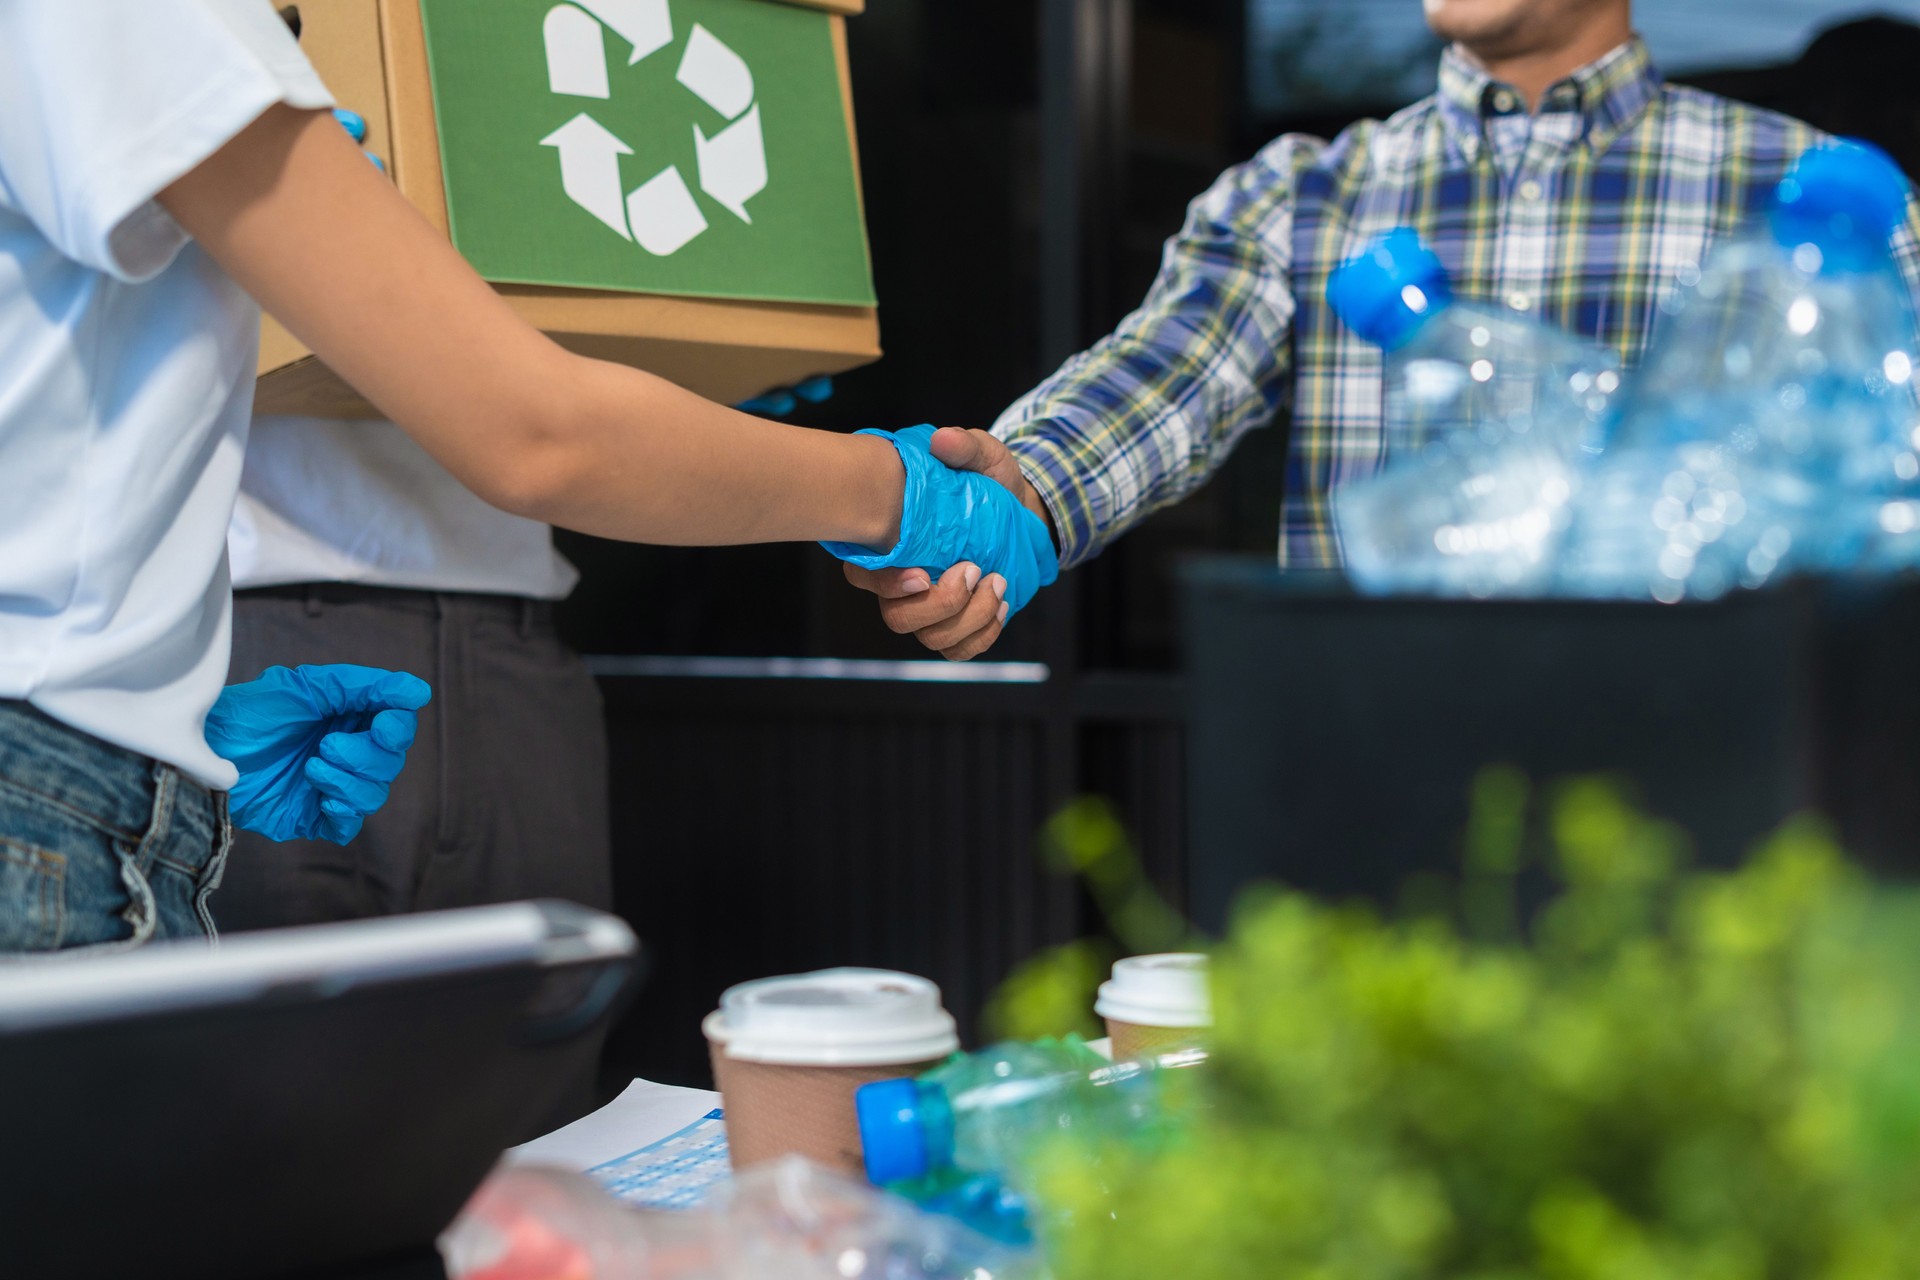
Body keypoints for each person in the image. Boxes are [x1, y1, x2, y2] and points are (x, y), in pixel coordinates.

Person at [0, 0, 1048, 954]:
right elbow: (538, 433)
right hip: (53, 793)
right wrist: (904, 494)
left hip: (113, 758)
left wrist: (164, 724)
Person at [845, 0, 1920, 658]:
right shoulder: (1305, 195)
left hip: (1704, 808)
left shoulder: (1811, 211)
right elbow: (1163, 376)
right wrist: (999, 502)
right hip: (1377, 787)